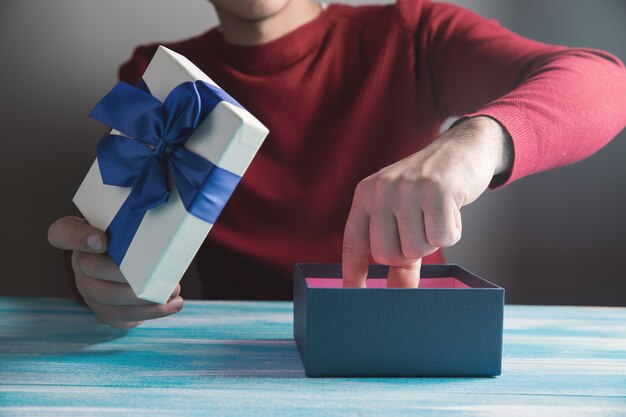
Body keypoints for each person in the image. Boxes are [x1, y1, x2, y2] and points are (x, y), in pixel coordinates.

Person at [48, 0, 626, 329]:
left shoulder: (412, 33)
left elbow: (606, 84)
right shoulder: (158, 76)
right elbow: (109, 246)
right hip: (228, 359)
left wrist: (471, 144)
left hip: (400, 346)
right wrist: (98, 279)